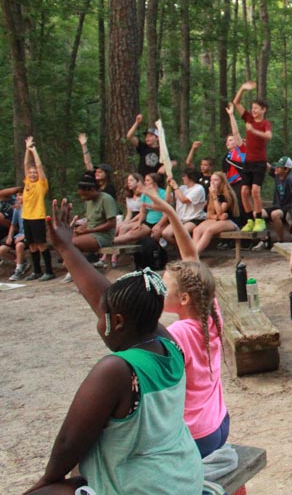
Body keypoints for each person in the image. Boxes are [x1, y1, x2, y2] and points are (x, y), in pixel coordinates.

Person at [24, 201, 204, 495]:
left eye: (102, 317)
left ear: (117, 322)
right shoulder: (167, 342)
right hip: (183, 477)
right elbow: (105, 299)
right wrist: (67, 248)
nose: (99, 320)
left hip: (148, 488)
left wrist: (46, 481)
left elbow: (69, 443)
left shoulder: (117, 370)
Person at [142, 188, 230, 458]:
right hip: (219, 423)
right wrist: (169, 213)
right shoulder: (210, 314)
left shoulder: (177, 332)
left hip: (195, 437)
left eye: (163, 287)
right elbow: (192, 258)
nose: (157, 289)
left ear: (183, 298)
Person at [233, 80, 272, 233]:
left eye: (257, 108)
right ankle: (249, 219)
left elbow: (268, 136)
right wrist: (242, 88)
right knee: (244, 191)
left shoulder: (265, 123)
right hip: (248, 162)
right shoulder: (248, 118)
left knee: (255, 190)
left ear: (263, 110)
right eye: (253, 108)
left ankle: (259, 219)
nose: (253, 110)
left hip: (260, 162)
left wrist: (254, 131)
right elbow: (236, 103)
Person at [22, 136, 55, 281]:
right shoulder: (27, 182)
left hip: (37, 217)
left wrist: (34, 151)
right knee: (32, 245)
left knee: (41, 244)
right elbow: (25, 164)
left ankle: (49, 271)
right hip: (26, 217)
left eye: (34, 173)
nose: (33, 174)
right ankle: (36, 271)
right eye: (31, 173)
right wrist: (27, 149)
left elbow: (39, 167)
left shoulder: (41, 185)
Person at [152, 169, 206, 248]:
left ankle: (188, 250)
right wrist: (169, 186)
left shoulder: (198, 188)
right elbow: (168, 200)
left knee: (181, 233)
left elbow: (184, 200)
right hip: (181, 219)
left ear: (190, 177)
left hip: (194, 219)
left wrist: (175, 187)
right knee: (166, 234)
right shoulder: (182, 188)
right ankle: (182, 249)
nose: (182, 178)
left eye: (184, 176)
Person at [192, 171, 241, 255]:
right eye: (211, 180)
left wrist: (215, 197)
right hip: (218, 219)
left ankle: (195, 255)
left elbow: (220, 212)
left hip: (230, 221)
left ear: (222, 182)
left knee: (209, 230)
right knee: (196, 230)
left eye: (216, 180)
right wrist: (216, 217)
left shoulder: (227, 194)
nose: (212, 182)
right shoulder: (211, 194)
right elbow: (209, 214)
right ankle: (192, 253)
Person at [113, 173, 166, 244]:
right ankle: (109, 242)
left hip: (161, 222)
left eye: (147, 180)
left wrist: (159, 224)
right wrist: (139, 222)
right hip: (148, 222)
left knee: (155, 235)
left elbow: (167, 214)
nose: (145, 182)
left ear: (155, 182)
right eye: (145, 180)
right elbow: (143, 212)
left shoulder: (163, 193)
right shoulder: (145, 194)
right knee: (131, 234)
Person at [258, 156, 292, 244]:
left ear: (286, 170)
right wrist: (257, 154)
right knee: (258, 213)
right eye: (276, 166)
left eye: (279, 167)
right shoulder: (277, 174)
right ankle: (264, 240)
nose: (276, 168)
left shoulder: (290, 179)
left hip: (288, 207)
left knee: (275, 214)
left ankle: (280, 241)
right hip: (277, 206)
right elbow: (267, 166)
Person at [77, 133, 117, 199]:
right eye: (96, 172)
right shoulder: (94, 183)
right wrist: (84, 146)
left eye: (100, 172)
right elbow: (88, 163)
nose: (97, 173)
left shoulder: (110, 188)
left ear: (106, 174)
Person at [0, 191, 29, 280]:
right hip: (19, 234)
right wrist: (9, 236)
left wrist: (24, 235)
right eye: (16, 196)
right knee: (2, 250)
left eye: (20, 195)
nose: (17, 197)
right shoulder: (17, 209)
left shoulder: (32, 208)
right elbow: (13, 224)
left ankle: (18, 269)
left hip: (29, 234)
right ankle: (21, 262)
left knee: (19, 245)